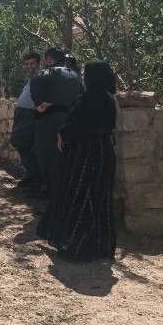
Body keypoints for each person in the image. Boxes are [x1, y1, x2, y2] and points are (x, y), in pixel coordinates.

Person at [37, 60, 118, 260]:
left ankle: (79, 246)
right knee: (100, 199)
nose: (82, 77)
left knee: (79, 197)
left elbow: (80, 124)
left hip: (85, 153)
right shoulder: (109, 98)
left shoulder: (90, 97)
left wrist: (62, 134)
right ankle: (99, 246)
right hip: (104, 152)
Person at [29, 47, 82, 201]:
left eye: (44, 59)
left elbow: (35, 81)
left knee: (46, 158)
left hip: (48, 121)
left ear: (50, 60)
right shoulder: (75, 75)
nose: (43, 62)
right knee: (63, 159)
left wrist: (38, 103)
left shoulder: (45, 73)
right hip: (69, 121)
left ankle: (52, 198)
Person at [9, 52, 42, 191]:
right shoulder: (32, 77)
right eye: (27, 64)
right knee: (23, 144)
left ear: (39, 63)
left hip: (30, 114)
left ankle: (36, 178)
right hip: (22, 114)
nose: (29, 66)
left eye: (32, 63)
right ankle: (31, 175)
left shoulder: (40, 76)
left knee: (19, 141)